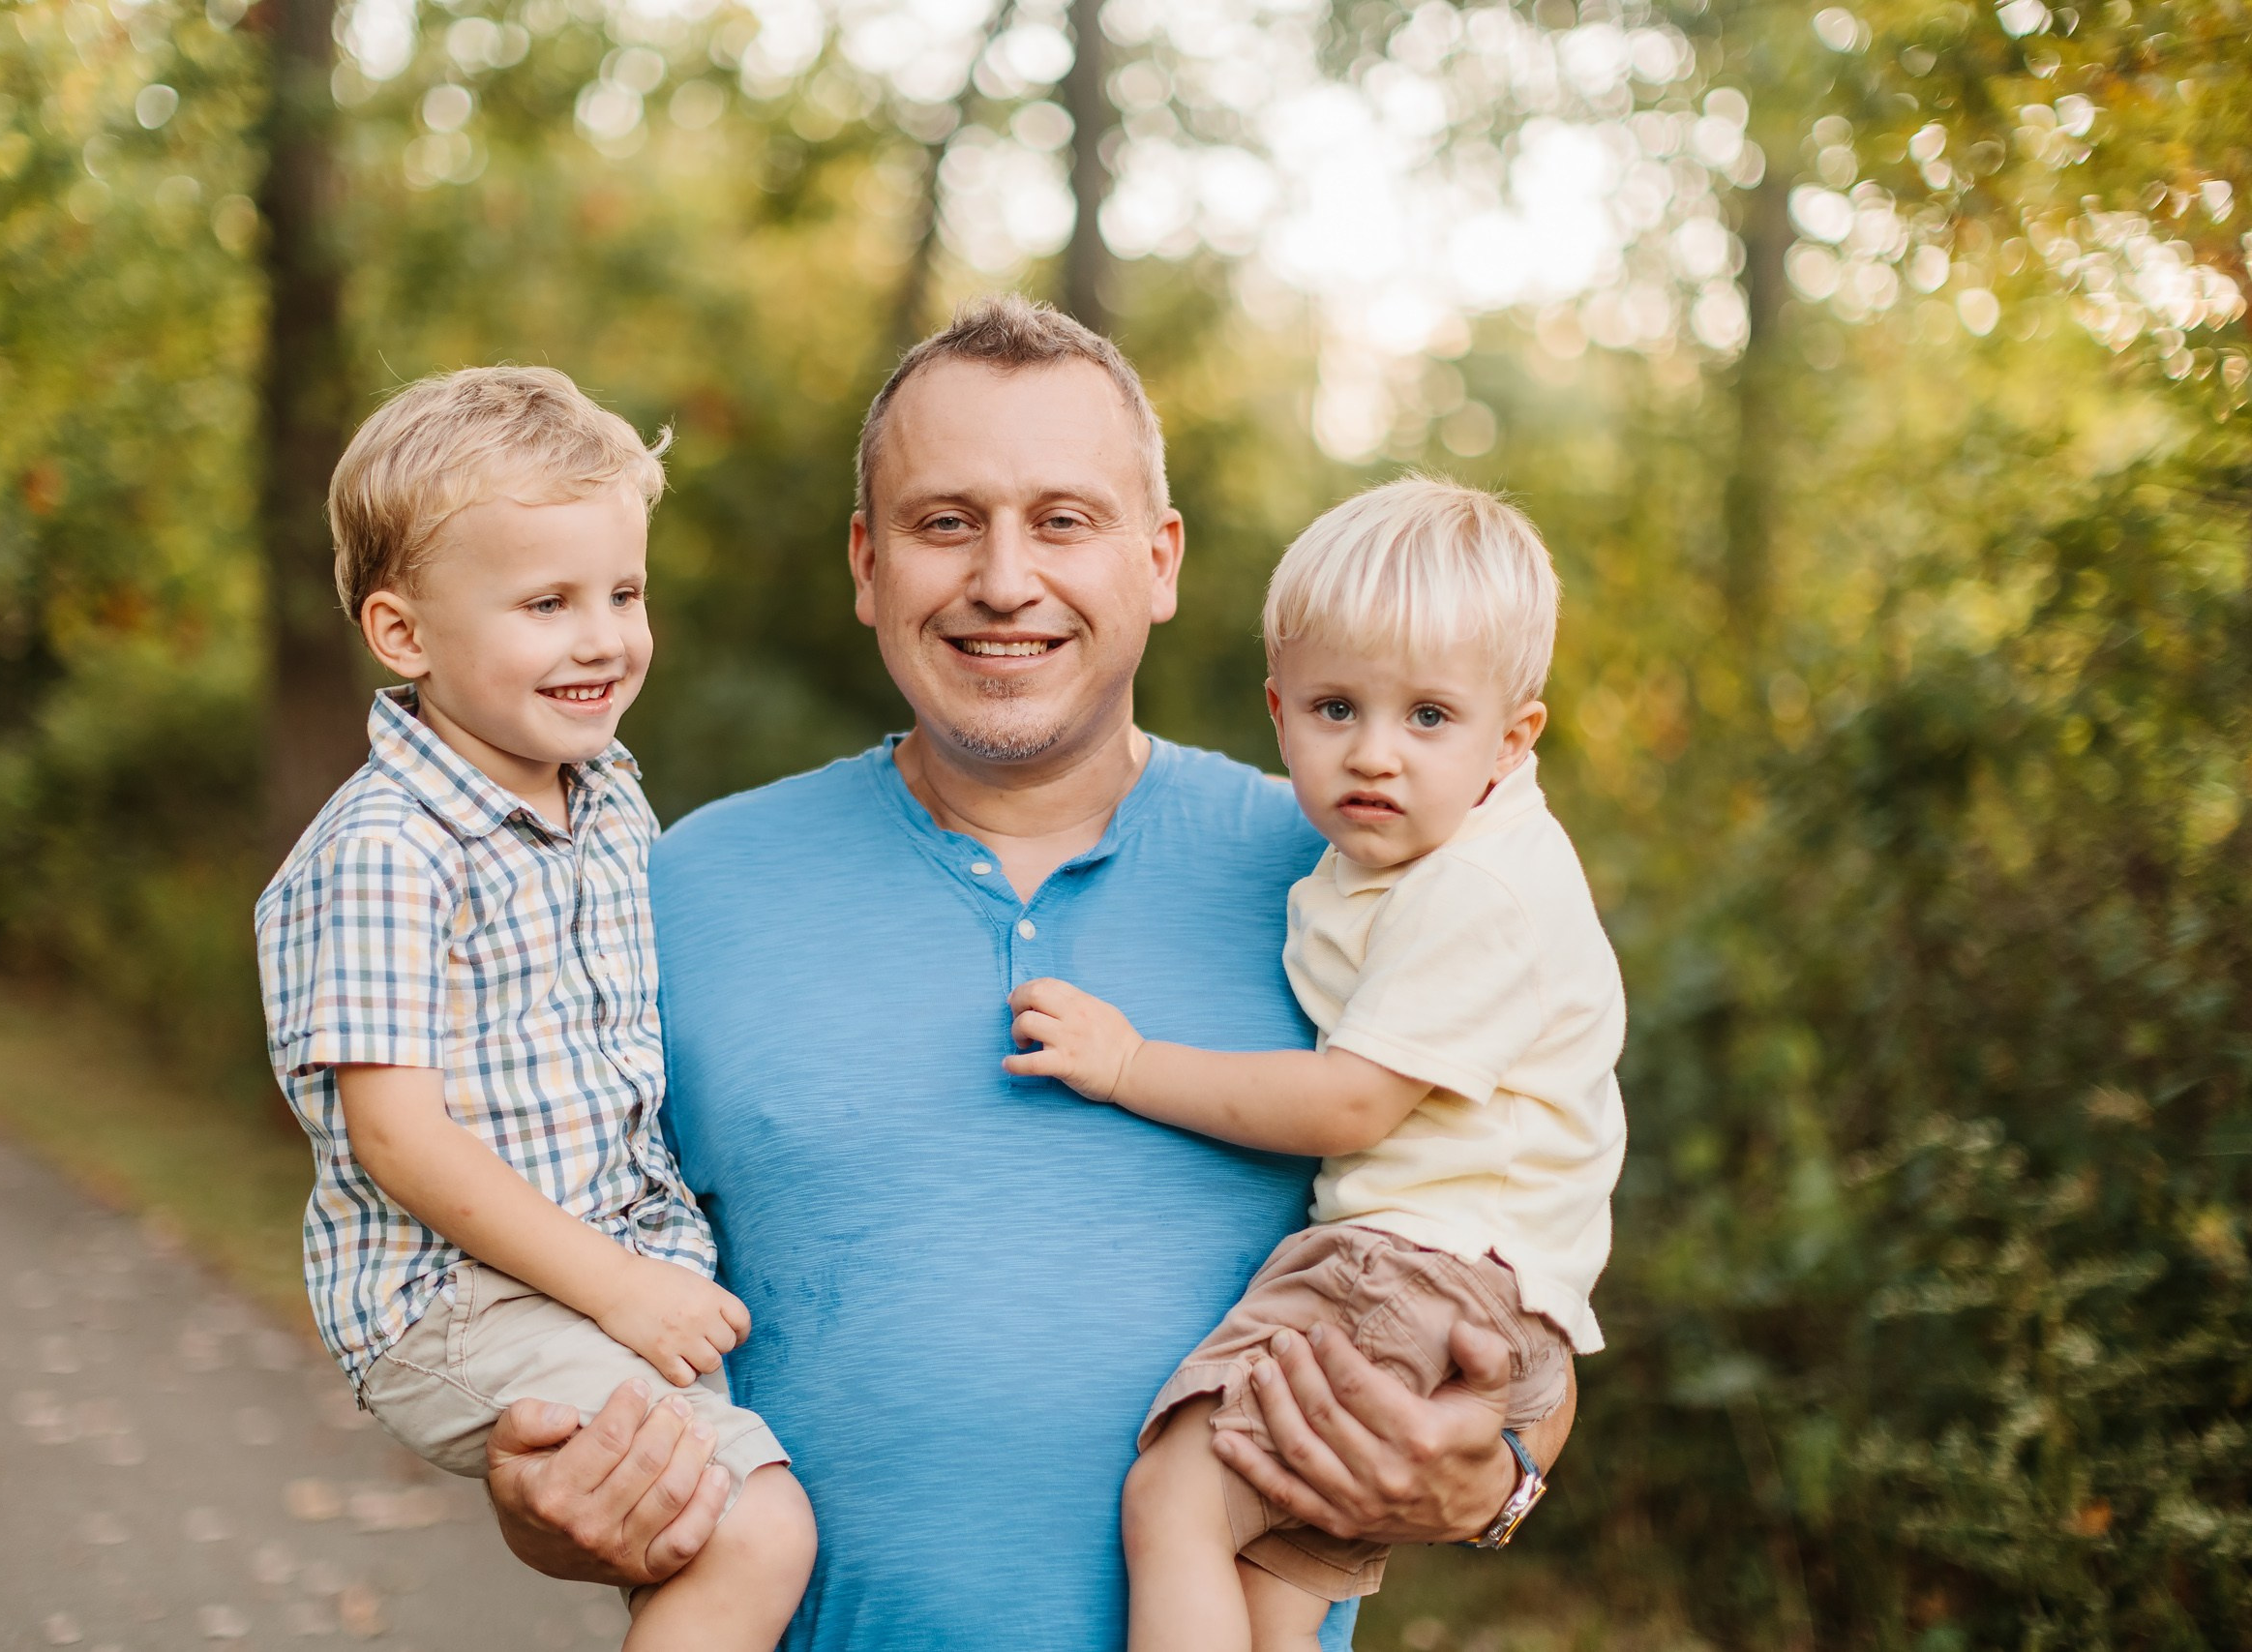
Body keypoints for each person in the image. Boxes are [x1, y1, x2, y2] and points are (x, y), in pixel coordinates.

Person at [481, 298, 1579, 1650]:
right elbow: (545, 1295)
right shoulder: (680, 889)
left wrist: (1503, 1467)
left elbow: (1513, 1237)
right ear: (868, 563)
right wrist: (546, 1493)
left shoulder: (1360, 882)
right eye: (948, 522)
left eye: (1065, 519)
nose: (1006, 578)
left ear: (1161, 559)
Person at [1006, 479, 1626, 1651]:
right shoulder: (1383, 864)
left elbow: (1349, 1102)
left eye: (1429, 718)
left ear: (1514, 736)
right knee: (1272, 1600)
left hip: (1415, 1268)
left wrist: (1128, 1063)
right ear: (1278, 710)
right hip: (1463, 1279)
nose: (1374, 757)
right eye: (1337, 708)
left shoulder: (1477, 888)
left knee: (1175, 1501)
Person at [254, 367, 815, 1651]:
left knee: (713, 1525)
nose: (605, 635)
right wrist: (621, 1286)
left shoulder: (606, 792)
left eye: (625, 592)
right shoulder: (392, 845)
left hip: (604, 1261)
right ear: (405, 635)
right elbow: (398, 1137)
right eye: (548, 601)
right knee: (750, 1524)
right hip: (461, 1295)